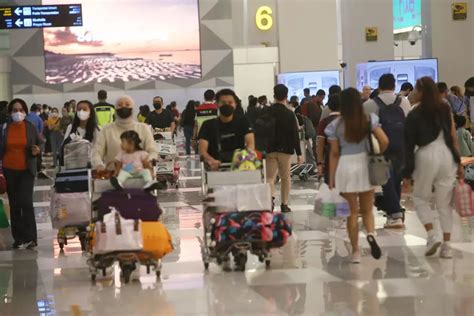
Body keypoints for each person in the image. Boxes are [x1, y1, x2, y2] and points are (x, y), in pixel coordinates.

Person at [326, 88, 388, 263]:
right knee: (367, 210)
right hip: (365, 164)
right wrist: (377, 154)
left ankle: (355, 252)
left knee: (351, 213)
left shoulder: (335, 125)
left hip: (345, 166)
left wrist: (331, 178)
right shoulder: (369, 119)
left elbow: (335, 153)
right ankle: (370, 233)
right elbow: (384, 140)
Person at [403, 77, 461, 259]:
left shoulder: (414, 113)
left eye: (416, 90)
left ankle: (431, 234)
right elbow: (452, 136)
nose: (413, 93)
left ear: (422, 91)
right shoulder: (444, 108)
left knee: (420, 198)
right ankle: (447, 245)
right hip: (446, 155)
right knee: (445, 204)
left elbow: (408, 144)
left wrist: (407, 174)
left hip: (425, 155)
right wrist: (458, 162)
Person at [364, 73, 410, 229]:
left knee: (386, 181)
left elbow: (366, 129)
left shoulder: (370, 104)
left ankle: (395, 214)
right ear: (394, 85)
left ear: (380, 86)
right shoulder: (404, 102)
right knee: (395, 179)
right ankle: (394, 213)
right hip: (402, 146)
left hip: (381, 147)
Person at [0, 99, 41, 249]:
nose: (18, 113)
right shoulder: (5, 128)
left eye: (21, 110)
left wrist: (38, 150)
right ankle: (19, 238)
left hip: (26, 169)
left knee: (26, 202)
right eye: (14, 110)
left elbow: (40, 142)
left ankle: (31, 237)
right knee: (15, 204)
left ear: (25, 111)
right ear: (10, 112)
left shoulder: (29, 127)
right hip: (9, 169)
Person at [92, 96, 158, 172]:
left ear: (133, 108)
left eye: (127, 105)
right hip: (113, 176)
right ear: (115, 109)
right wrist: (98, 165)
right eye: (120, 105)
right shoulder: (106, 129)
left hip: (140, 176)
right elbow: (96, 152)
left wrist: (149, 161)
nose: (123, 107)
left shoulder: (144, 128)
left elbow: (152, 150)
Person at [266, 84, 303, 213]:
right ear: (286, 96)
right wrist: (299, 153)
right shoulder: (289, 114)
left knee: (270, 177)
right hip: (285, 149)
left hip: (270, 149)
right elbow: (294, 134)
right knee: (285, 178)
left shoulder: (267, 112)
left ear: (274, 95)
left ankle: (270, 199)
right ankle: (284, 204)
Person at [198, 89, 254, 169]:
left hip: (239, 167)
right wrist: (210, 160)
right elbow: (202, 151)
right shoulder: (208, 125)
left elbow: (250, 144)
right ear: (217, 104)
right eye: (223, 103)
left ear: (235, 104)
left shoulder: (243, 122)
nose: (227, 105)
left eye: (230, 102)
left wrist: (243, 158)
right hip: (215, 169)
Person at [316, 93, 341, 184]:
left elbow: (321, 144)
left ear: (329, 106)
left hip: (329, 161)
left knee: (332, 192)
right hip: (346, 161)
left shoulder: (324, 122)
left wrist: (319, 163)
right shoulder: (348, 121)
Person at [26, 104, 45, 178]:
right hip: (36, 139)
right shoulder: (38, 118)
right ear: (37, 110)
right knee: (38, 154)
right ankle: (38, 169)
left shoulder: (26, 117)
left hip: (26, 138)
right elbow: (40, 131)